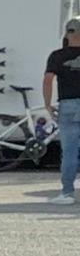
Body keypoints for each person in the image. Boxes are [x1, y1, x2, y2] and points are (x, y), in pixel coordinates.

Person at [46, 17, 80, 200]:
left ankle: (67, 193)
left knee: (69, 152)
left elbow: (47, 80)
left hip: (68, 106)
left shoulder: (57, 56)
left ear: (67, 34)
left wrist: (47, 104)